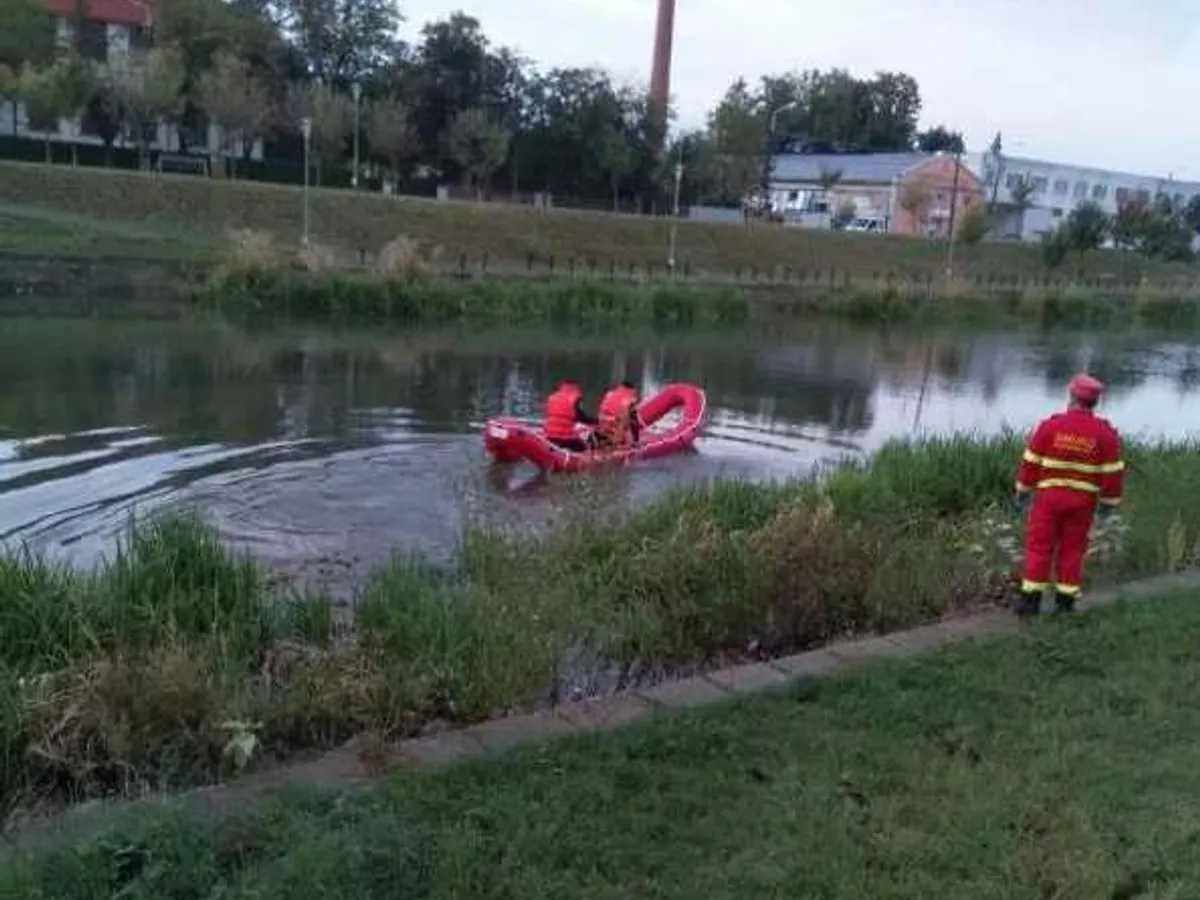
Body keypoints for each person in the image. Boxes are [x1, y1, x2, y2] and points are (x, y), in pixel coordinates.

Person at [1013, 373, 1124, 617]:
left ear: (1071, 396)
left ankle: (1030, 602)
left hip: (1049, 500)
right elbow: (1113, 474)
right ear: (1095, 402)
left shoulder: (1050, 426)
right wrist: (1108, 505)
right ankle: (1065, 604)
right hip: (1083, 503)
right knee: (1073, 550)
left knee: (1039, 547)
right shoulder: (1105, 434)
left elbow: (1030, 463)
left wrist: (1022, 492)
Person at [542, 379, 598, 452]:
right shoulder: (574, 398)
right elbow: (581, 417)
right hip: (566, 438)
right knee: (585, 446)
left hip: (549, 436)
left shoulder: (552, 397)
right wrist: (596, 421)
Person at [596, 380, 642, 448]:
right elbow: (634, 421)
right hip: (614, 437)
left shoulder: (610, 393)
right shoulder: (630, 397)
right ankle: (616, 441)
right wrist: (636, 440)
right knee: (630, 416)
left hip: (600, 432)